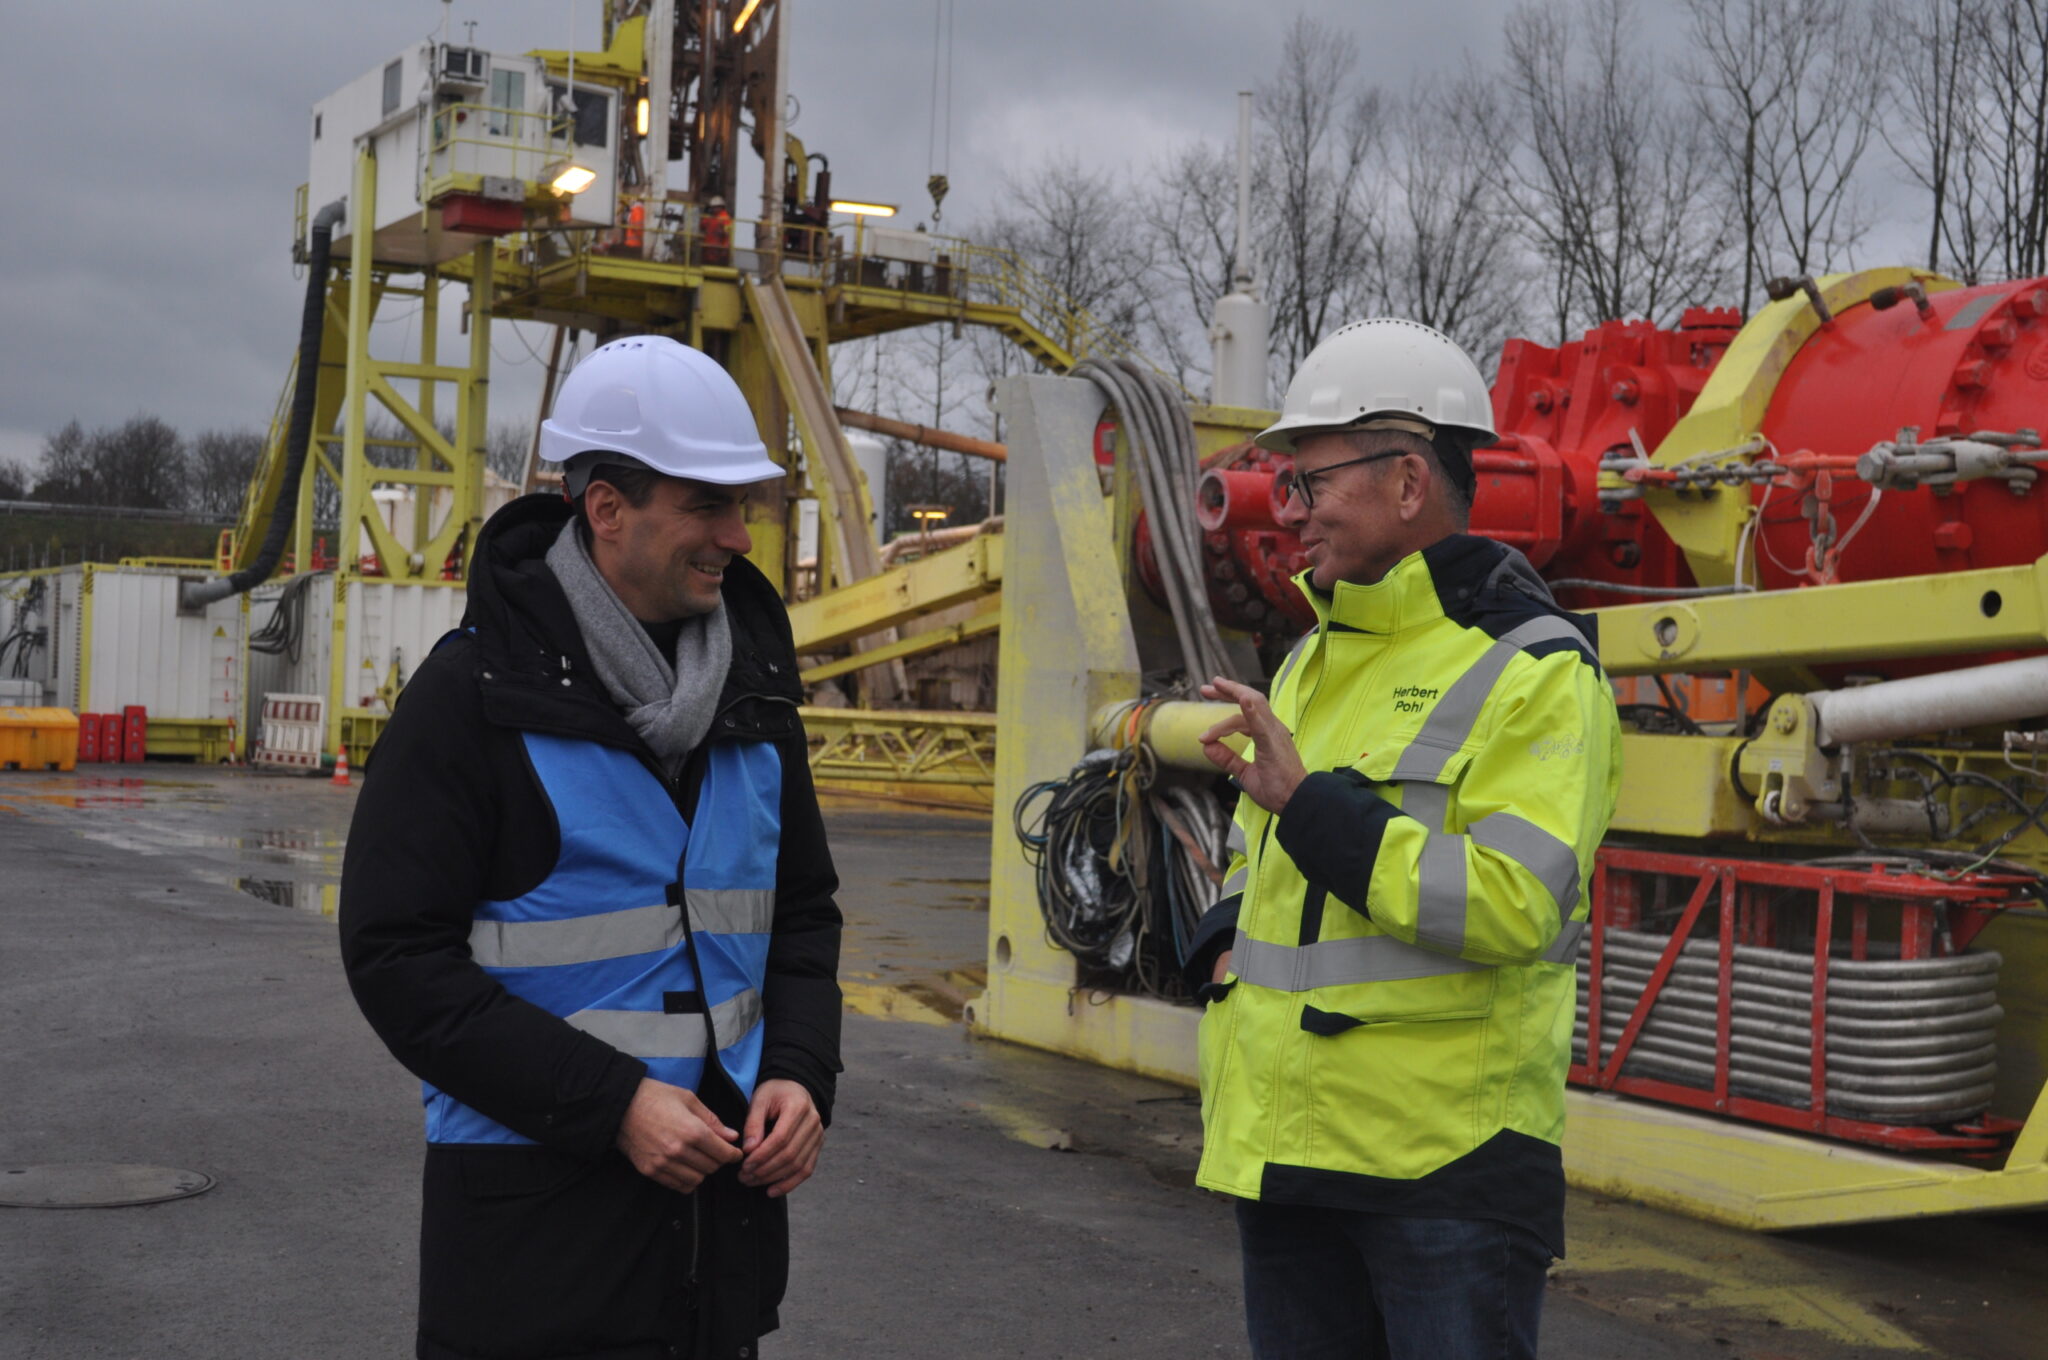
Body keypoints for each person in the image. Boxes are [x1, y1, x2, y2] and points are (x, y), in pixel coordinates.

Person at [339, 334, 843, 1360]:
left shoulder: (755, 699)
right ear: (606, 509)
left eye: (741, 507)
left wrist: (796, 1070)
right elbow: (396, 958)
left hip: (716, 1258)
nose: (736, 537)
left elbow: (798, 916)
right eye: (707, 506)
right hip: (532, 1263)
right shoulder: (469, 698)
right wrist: (614, 1105)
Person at [1184, 318, 1621, 1360]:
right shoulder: (1310, 660)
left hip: (1444, 1175)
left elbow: (1516, 901)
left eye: (1310, 480)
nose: (1289, 510)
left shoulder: (1535, 671)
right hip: (1286, 1153)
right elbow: (1258, 855)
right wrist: (1220, 934)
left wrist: (1316, 809)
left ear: (1407, 480)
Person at [702, 195, 732, 267]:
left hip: (718, 251)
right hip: (710, 250)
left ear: (720, 207)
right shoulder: (712, 218)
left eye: (714, 207)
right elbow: (702, 225)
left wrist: (724, 249)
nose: (713, 209)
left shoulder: (724, 218)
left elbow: (727, 233)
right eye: (712, 207)